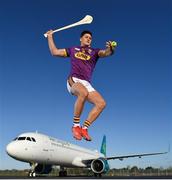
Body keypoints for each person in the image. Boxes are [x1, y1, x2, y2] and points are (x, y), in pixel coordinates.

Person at [46, 30, 117, 141]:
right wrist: (50, 37)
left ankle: (84, 128)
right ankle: (75, 126)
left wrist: (111, 49)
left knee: (101, 103)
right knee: (83, 92)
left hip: (86, 83)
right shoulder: (73, 49)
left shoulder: (94, 51)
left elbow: (106, 53)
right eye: (86, 37)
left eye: (90, 38)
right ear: (81, 38)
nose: (89, 39)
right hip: (74, 80)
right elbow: (54, 52)